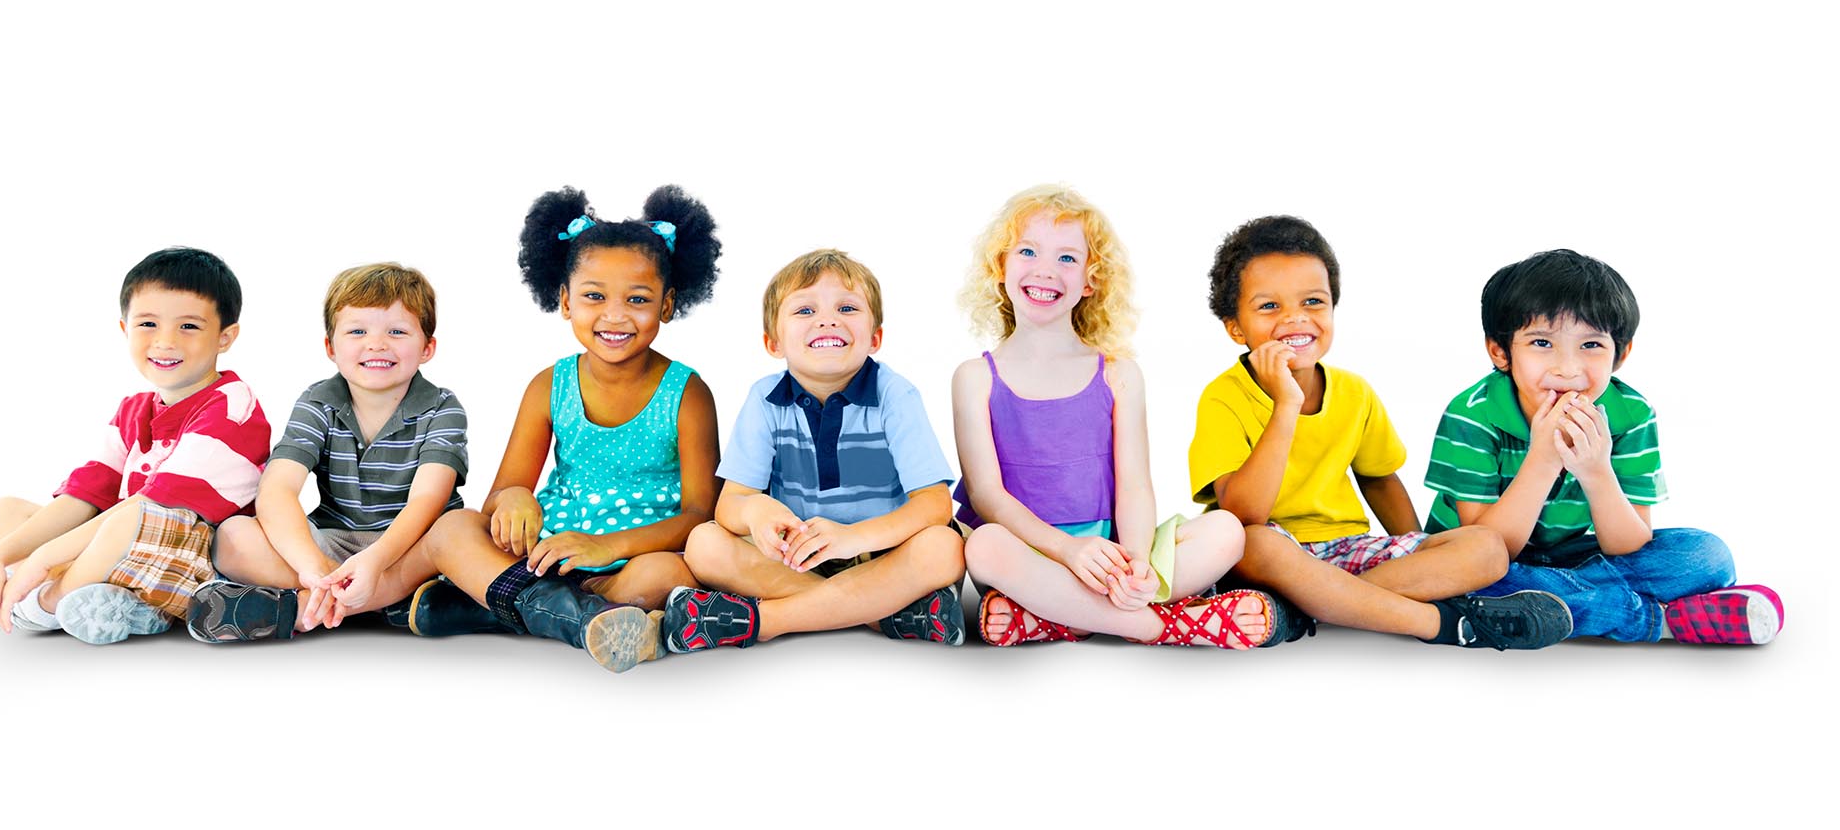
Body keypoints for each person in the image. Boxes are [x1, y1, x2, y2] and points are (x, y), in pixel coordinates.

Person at [1191, 216, 1572, 650]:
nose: (1295, 319)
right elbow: (1244, 514)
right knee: (1253, 542)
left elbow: (1379, 479)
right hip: (1272, 554)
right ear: (1235, 327)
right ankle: (1437, 623)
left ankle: (1315, 605)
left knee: (1486, 548)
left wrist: (1420, 548)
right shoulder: (1222, 397)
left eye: (1313, 301)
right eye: (1269, 307)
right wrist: (1286, 405)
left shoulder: (1354, 392)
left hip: (1346, 551)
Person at [410, 186, 723, 673]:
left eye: (637, 299)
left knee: (667, 574)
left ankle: (499, 607)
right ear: (565, 300)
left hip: (635, 555)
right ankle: (580, 621)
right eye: (594, 296)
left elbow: (700, 515)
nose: (614, 315)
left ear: (666, 304)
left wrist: (607, 547)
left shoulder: (688, 393)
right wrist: (515, 498)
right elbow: (501, 496)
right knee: (453, 527)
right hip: (549, 551)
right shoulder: (550, 385)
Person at [956, 185, 1267, 648]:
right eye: (1027, 251)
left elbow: (1135, 484)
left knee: (1225, 531)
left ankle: (1060, 619)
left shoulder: (1119, 374)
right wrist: (1068, 550)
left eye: (1067, 258)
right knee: (982, 546)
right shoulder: (975, 377)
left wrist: (1137, 563)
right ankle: (1161, 626)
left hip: (1111, 556)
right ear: (1000, 266)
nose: (1045, 269)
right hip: (1030, 556)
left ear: (1091, 279)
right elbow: (987, 497)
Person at [1424, 248, 1783, 644]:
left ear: (1621, 354)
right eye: (1542, 343)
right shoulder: (1472, 414)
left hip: (1577, 555)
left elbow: (1628, 544)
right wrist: (1542, 460)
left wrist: (1596, 472)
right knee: (1463, 577)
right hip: (1483, 561)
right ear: (1500, 351)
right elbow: (1487, 545)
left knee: (1707, 557)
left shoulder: (1630, 414)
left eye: (1591, 345)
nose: (1569, 369)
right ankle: (1652, 619)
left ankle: (1543, 604)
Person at [666, 249, 966, 652]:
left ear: (875, 337)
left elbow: (934, 505)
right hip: (795, 558)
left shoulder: (895, 395)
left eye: (847, 307)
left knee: (944, 547)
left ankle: (768, 620)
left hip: (879, 553)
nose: (828, 319)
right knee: (704, 544)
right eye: (805, 311)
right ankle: (884, 614)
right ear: (773, 342)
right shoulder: (764, 400)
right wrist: (756, 512)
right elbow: (730, 506)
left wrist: (853, 538)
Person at [0, 247, 271, 644]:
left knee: (123, 520)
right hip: (122, 542)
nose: (165, 341)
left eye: (189, 327)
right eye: (148, 323)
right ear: (125, 329)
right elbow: (88, 492)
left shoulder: (232, 405)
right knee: (6, 514)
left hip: (193, 561)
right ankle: (112, 597)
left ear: (225, 337)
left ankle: (49, 603)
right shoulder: (135, 409)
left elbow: (153, 506)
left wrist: (42, 559)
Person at [186, 262, 468, 642]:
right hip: (334, 541)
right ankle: (372, 602)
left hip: (410, 546)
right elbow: (277, 489)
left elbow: (427, 500)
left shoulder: (441, 408)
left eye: (397, 332)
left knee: (461, 534)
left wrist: (376, 561)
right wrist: (314, 568)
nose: (377, 344)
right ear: (330, 347)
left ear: (427, 347)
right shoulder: (319, 402)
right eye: (357, 331)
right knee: (234, 535)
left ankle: (302, 609)